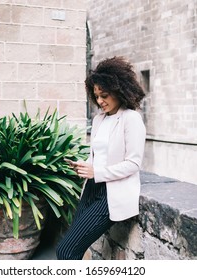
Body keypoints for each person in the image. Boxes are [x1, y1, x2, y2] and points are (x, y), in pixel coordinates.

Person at [56, 56, 146, 260]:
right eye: (96, 96)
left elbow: (133, 164)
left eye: (104, 95)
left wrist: (97, 172)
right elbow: (97, 156)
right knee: (71, 249)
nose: (100, 101)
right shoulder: (98, 120)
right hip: (91, 189)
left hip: (111, 194)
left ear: (119, 90)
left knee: (66, 251)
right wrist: (84, 167)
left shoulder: (131, 119)